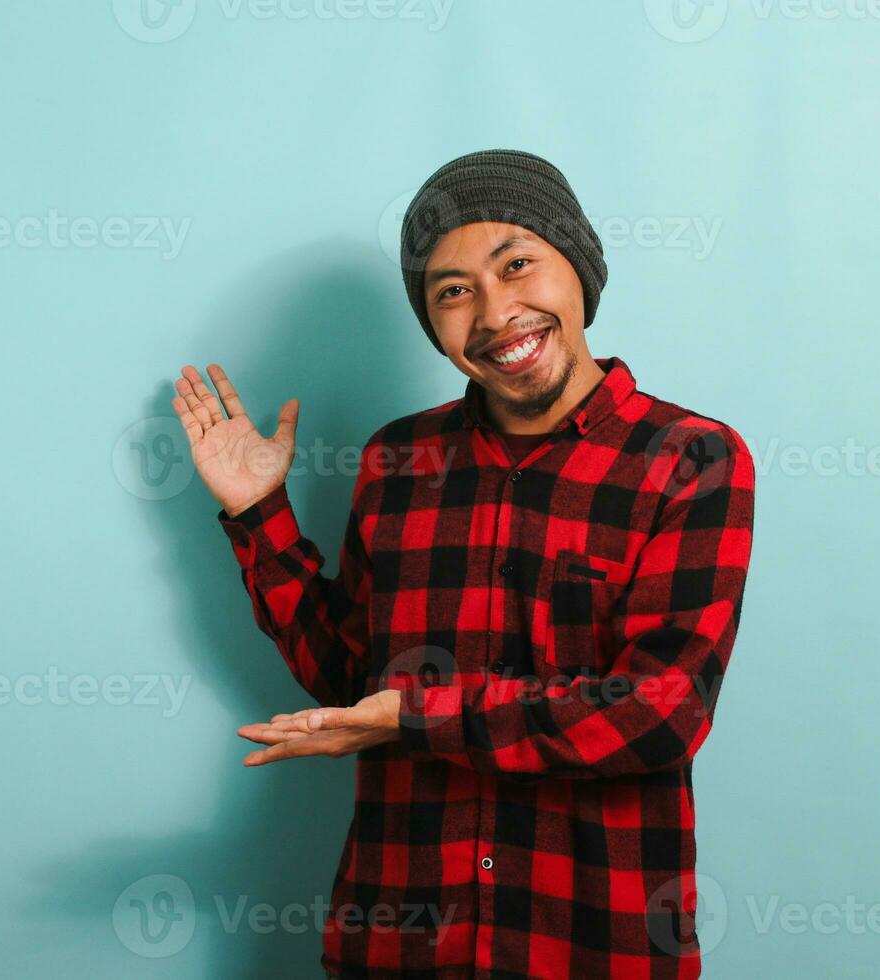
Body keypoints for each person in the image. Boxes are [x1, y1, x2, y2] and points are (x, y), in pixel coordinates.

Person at [171, 149, 755, 978]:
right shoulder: (396, 461)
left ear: (580, 270)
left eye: (518, 264)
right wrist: (258, 513)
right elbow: (352, 685)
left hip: (591, 944)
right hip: (399, 942)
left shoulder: (689, 459)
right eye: (453, 291)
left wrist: (416, 718)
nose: (496, 311)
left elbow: (659, 713)